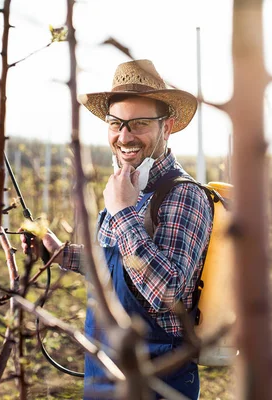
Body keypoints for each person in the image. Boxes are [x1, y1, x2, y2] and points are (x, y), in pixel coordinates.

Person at [22, 59, 212, 399]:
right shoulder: (125, 185)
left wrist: (122, 210)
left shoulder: (183, 196)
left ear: (166, 127)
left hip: (158, 380)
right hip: (104, 371)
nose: (124, 136)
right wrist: (61, 253)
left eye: (138, 123)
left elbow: (168, 293)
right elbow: (118, 266)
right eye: (116, 123)